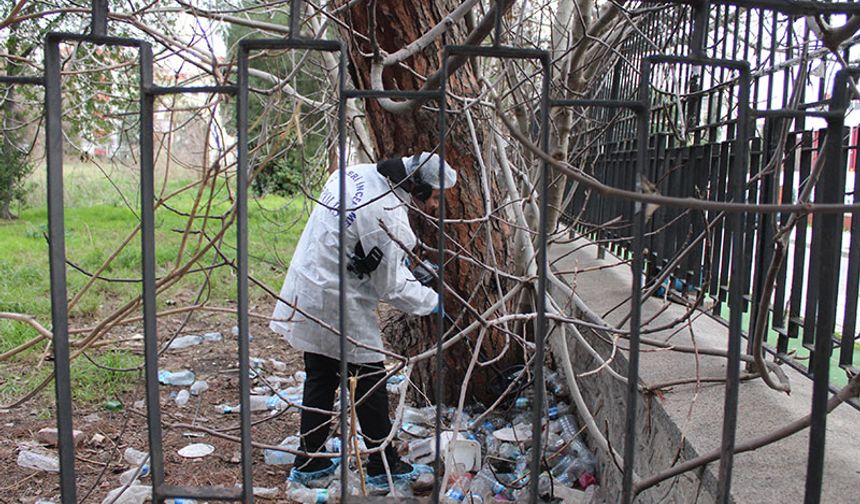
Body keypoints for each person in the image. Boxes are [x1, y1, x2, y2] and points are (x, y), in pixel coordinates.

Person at [269, 151, 456, 489]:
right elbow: (390, 286)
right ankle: (383, 464)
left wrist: (406, 262)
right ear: (418, 187)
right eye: (436, 198)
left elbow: (364, 245)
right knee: (370, 378)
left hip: (311, 282)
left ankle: (310, 460)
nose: (435, 207)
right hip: (338, 299)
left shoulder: (355, 174)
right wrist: (432, 300)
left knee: (321, 374)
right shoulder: (387, 214)